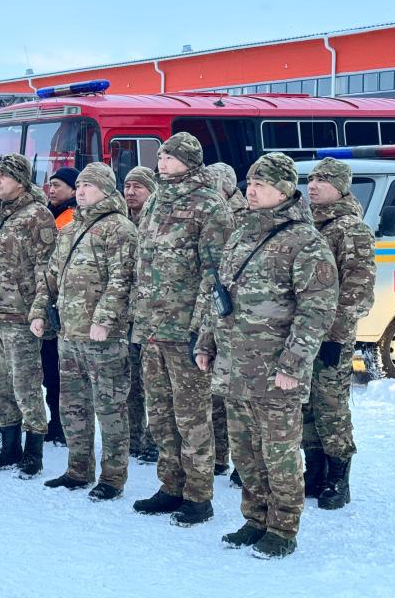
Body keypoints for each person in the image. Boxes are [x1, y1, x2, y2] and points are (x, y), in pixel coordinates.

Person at [195, 153, 338, 558]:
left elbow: (317, 310)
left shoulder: (305, 241)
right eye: (250, 182)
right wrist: (207, 342)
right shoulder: (242, 233)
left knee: (278, 452)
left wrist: (294, 364)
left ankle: (282, 527)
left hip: (276, 370)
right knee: (245, 451)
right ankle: (254, 518)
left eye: (261, 183)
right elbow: (219, 294)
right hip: (235, 366)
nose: (251, 190)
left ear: (284, 189)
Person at [131, 132, 232, 526]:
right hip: (153, 328)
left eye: (169, 157)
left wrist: (201, 330)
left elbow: (214, 276)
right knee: (160, 415)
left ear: (189, 161)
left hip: (184, 330)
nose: (161, 162)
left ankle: (198, 495)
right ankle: (170, 485)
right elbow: (144, 265)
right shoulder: (157, 200)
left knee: (192, 417)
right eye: (160, 156)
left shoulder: (209, 206)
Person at [31, 162, 137, 499]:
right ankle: (78, 469)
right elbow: (51, 275)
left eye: (87, 186)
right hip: (69, 333)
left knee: (109, 407)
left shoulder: (118, 228)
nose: (80, 191)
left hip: (102, 335)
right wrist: (39, 310)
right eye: (78, 185)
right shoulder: (71, 228)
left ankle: (112, 477)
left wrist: (104, 320)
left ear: (105, 189)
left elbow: (123, 279)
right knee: (72, 404)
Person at [0, 154, 57, 478]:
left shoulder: (37, 216)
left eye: (5, 177)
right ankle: (8, 447)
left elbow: (45, 268)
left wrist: (39, 310)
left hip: (19, 315)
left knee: (26, 384)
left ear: (21, 182)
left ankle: (33, 450)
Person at [303, 158, 375, 509]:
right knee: (305, 405)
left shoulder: (350, 229)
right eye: (312, 178)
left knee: (331, 406)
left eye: (323, 180)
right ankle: (313, 471)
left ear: (341, 186)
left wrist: (335, 335)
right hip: (301, 334)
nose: (313, 185)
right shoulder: (306, 223)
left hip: (330, 335)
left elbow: (358, 290)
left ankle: (337, 478)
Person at [206, 162, 249, 480]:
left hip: (243, 320)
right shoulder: (212, 212)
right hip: (216, 314)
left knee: (239, 396)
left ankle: (242, 460)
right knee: (215, 394)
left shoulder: (245, 219)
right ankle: (219, 456)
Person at [41, 165, 80, 447]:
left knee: (62, 369)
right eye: (50, 184)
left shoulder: (73, 217)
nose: (52, 189)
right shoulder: (49, 213)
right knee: (48, 366)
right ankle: (54, 420)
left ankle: (63, 423)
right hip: (46, 298)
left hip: (65, 302)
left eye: (58, 185)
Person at [122, 165, 158, 464]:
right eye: (128, 186)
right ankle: (134, 437)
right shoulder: (120, 222)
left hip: (150, 316)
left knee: (153, 384)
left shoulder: (157, 223)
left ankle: (154, 439)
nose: (131, 192)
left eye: (138, 187)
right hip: (125, 316)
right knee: (130, 382)